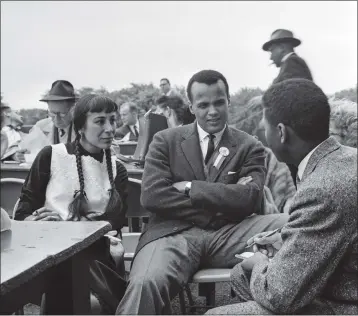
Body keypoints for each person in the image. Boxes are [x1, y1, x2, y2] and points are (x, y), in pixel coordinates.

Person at [116, 69, 288, 314]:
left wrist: (191, 187)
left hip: (231, 234)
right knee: (145, 283)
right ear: (191, 107)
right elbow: (153, 196)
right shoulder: (165, 140)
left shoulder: (249, 146)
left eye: (219, 102)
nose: (213, 111)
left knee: (295, 223)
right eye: (204, 104)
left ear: (228, 101)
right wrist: (221, 201)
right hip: (174, 234)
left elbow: (249, 198)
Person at [206, 79, 357, 315]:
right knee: (240, 275)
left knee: (216, 313)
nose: (263, 135)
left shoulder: (320, 188)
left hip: (346, 304)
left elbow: (279, 296)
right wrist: (286, 239)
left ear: (281, 132)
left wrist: (258, 263)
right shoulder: (345, 158)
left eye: (264, 127)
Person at [14, 94, 129, 314]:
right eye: (100, 121)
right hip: (47, 247)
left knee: (71, 261)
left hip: (96, 251)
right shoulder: (51, 156)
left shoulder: (117, 168)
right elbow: (23, 211)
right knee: (65, 263)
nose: (110, 128)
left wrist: (66, 225)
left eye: (113, 120)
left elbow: (116, 220)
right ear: (81, 127)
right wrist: (35, 219)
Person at [263, 29, 314, 185]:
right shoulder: (290, 65)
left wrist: (266, 96)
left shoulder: (293, 63)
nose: (271, 56)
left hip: (297, 133)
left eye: (272, 51)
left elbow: (288, 93)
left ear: (282, 47)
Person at [12, 80, 78, 162]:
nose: (57, 119)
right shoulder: (41, 126)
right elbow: (19, 146)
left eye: (62, 114)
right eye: (52, 113)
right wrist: (16, 155)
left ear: (73, 109)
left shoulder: (84, 128)